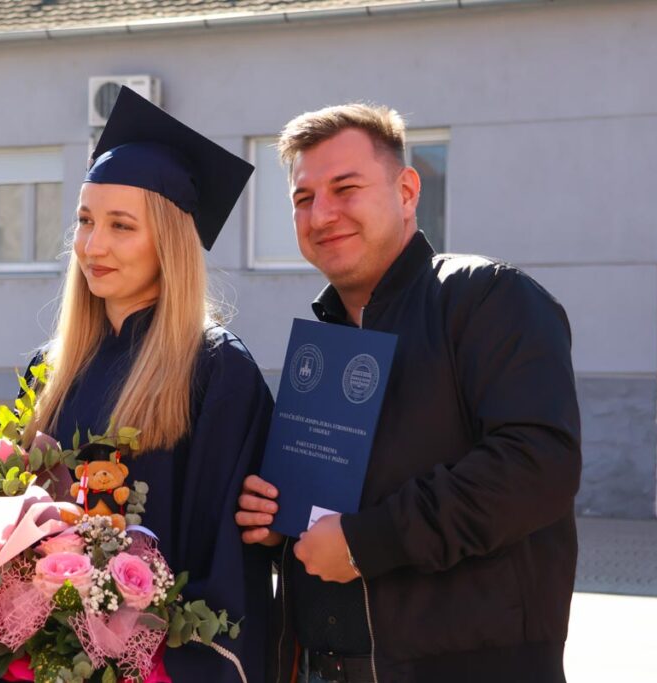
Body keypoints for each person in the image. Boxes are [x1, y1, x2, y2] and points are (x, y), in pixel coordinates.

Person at [235, 104, 582, 683]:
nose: (322, 214)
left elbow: (537, 467)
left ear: (406, 191)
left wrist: (366, 543)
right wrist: (279, 525)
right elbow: (331, 525)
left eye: (346, 188)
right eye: (303, 198)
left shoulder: (488, 298)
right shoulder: (323, 345)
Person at [25, 87, 274, 682]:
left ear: (168, 240)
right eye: (85, 221)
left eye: (121, 226)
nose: (93, 246)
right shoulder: (50, 370)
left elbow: (227, 565)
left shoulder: (215, 369)